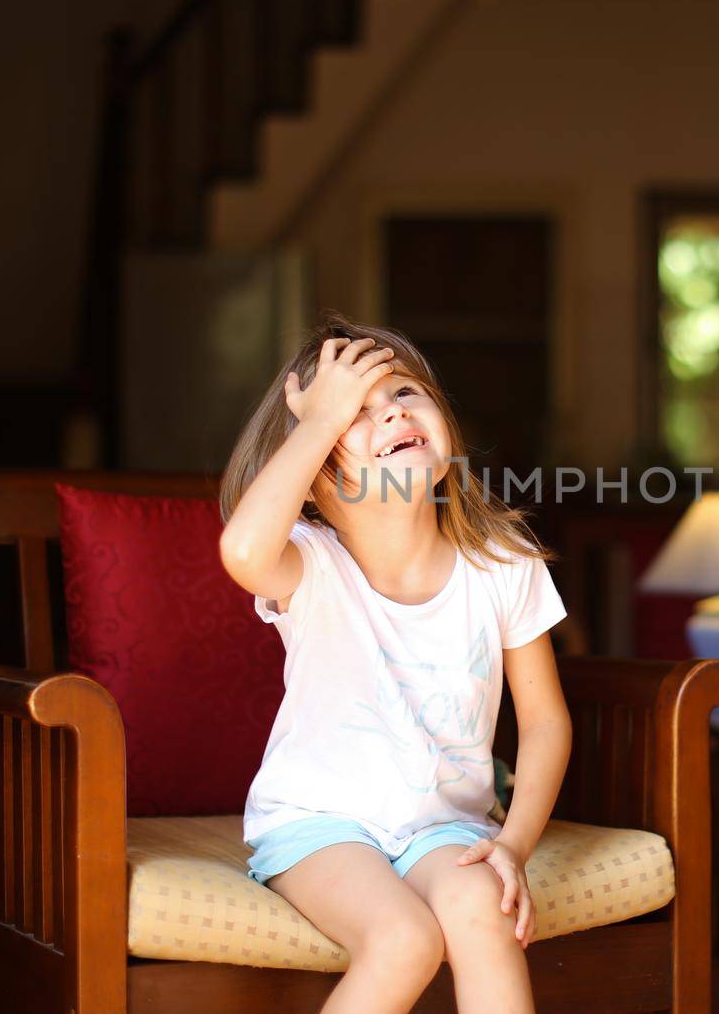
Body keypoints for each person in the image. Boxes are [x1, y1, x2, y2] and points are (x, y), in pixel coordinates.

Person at [218, 313, 571, 1014]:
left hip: (446, 826)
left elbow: (545, 723)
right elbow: (242, 552)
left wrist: (514, 844)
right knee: (405, 937)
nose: (392, 412)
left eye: (403, 393)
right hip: (319, 822)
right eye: (355, 411)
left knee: (483, 907)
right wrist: (316, 420)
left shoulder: (503, 562)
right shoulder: (310, 561)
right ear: (316, 480)